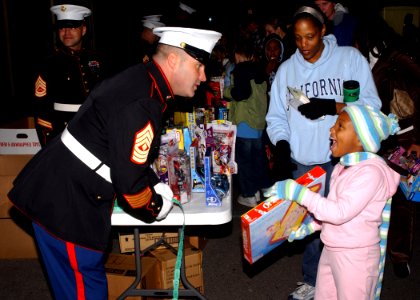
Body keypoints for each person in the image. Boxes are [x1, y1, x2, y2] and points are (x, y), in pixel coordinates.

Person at [8, 27, 221, 299]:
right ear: (173, 60)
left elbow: (121, 150)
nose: (203, 77)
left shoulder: (142, 81)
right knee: (85, 290)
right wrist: (156, 206)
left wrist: (155, 183)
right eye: (199, 66)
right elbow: (130, 188)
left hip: (63, 188)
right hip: (66, 203)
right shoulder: (144, 100)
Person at [265, 5, 381, 300]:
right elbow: (277, 117)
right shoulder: (287, 70)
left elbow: (371, 108)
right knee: (309, 226)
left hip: (343, 163)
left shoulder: (349, 60)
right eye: (298, 38)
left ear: (323, 31)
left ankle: (351, 285)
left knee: (343, 227)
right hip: (304, 163)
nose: (304, 45)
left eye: (311, 37)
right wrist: (281, 147)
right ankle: (314, 282)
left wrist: (331, 106)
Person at [265, 104, 400, 299]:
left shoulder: (370, 173)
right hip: (331, 247)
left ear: (361, 139)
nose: (331, 129)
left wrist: (297, 192)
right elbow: (332, 211)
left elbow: (338, 213)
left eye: (340, 126)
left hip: (356, 257)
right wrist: (309, 228)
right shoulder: (343, 167)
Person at [353, 14, 420, 278]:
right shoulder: (369, 62)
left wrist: (417, 141)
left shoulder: (399, 59)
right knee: (374, 196)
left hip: (404, 140)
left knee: (403, 197)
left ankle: (400, 256)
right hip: (379, 141)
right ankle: (374, 250)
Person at [34, 3, 108, 147]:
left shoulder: (98, 59)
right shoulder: (48, 63)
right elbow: (41, 108)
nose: (67, 32)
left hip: (95, 131)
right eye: (62, 28)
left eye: (73, 27)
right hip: (64, 133)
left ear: (84, 29)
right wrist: (50, 142)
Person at [223, 38, 270, 207]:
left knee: (243, 161)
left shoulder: (240, 70)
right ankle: (262, 188)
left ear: (238, 54)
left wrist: (226, 90)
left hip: (244, 123)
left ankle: (249, 194)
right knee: (258, 159)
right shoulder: (260, 70)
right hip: (258, 124)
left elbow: (240, 94)